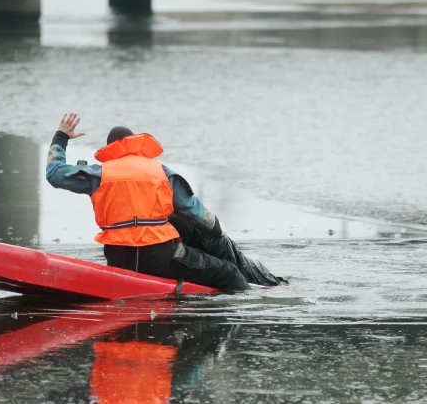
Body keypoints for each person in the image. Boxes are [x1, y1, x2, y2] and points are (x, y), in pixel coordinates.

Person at [46, 113, 287, 292]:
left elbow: (54, 173)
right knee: (231, 273)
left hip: (118, 258)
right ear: (135, 144)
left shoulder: (98, 174)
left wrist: (62, 137)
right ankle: (243, 314)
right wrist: (217, 229)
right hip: (159, 258)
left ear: (110, 149)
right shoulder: (160, 172)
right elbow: (192, 210)